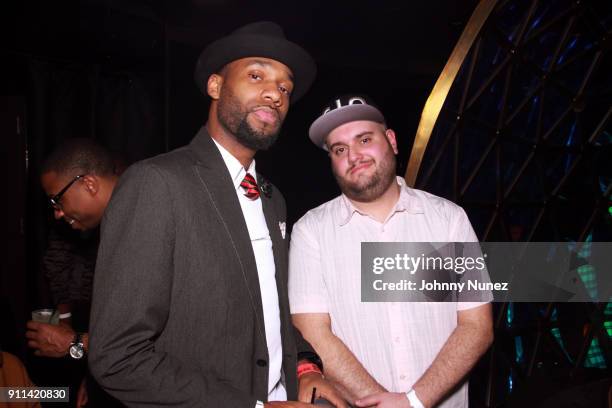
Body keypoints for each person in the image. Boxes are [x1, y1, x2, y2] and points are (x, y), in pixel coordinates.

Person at [88, 21, 345, 408]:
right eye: (257, 75)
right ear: (215, 86)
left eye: (284, 87)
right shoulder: (157, 183)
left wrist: (306, 368)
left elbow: (270, 310)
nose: (275, 94)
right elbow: (117, 356)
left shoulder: (273, 198)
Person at [289, 95, 494, 408]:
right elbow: (312, 331)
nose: (353, 156)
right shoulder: (310, 231)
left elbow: (476, 326)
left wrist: (414, 401)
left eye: (365, 139)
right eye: (339, 149)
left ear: (392, 140)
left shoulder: (449, 219)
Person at [27, 138, 123, 407]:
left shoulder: (142, 225)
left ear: (89, 184)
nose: (57, 213)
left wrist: (73, 344)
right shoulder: (118, 225)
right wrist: (96, 375)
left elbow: (145, 342)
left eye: (57, 200)